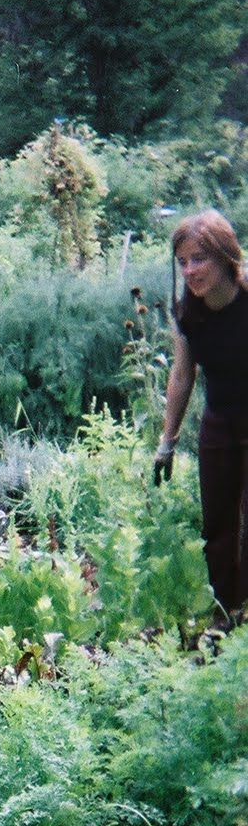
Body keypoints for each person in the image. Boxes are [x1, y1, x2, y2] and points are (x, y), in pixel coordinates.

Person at [154, 209, 248, 622]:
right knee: (217, 529)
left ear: (226, 257)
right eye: (183, 262)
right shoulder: (188, 313)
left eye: (199, 259)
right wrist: (166, 442)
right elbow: (182, 375)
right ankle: (224, 613)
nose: (190, 270)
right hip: (220, 423)